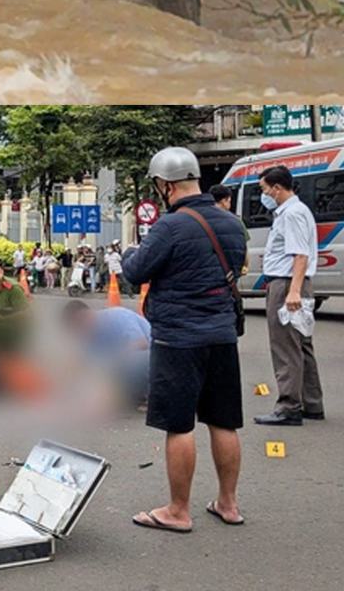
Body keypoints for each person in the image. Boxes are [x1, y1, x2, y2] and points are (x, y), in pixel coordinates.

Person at [123, 147, 247, 532]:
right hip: (223, 335)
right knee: (224, 421)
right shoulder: (230, 223)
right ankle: (228, 503)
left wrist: (130, 251)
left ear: (165, 185)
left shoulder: (169, 226)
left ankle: (178, 510)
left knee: (180, 425)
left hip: (178, 338)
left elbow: (136, 271)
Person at [253, 165, 324, 426]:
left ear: (277, 188)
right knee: (301, 344)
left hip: (286, 285)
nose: (263, 195)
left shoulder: (291, 214)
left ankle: (289, 407)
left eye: (264, 189)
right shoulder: (297, 210)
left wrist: (293, 291)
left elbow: (300, 255)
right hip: (294, 283)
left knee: (285, 346)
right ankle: (311, 403)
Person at [62, 299, 151, 407]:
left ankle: (149, 395)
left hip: (152, 358)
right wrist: (64, 388)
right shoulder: (88, 334)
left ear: (85, 316)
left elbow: (141, 344)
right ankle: (130, 395)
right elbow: (82, 363)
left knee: (130, 361)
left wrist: (112, 361)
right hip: (129, 366)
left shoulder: (119, 316)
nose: (79, 331)